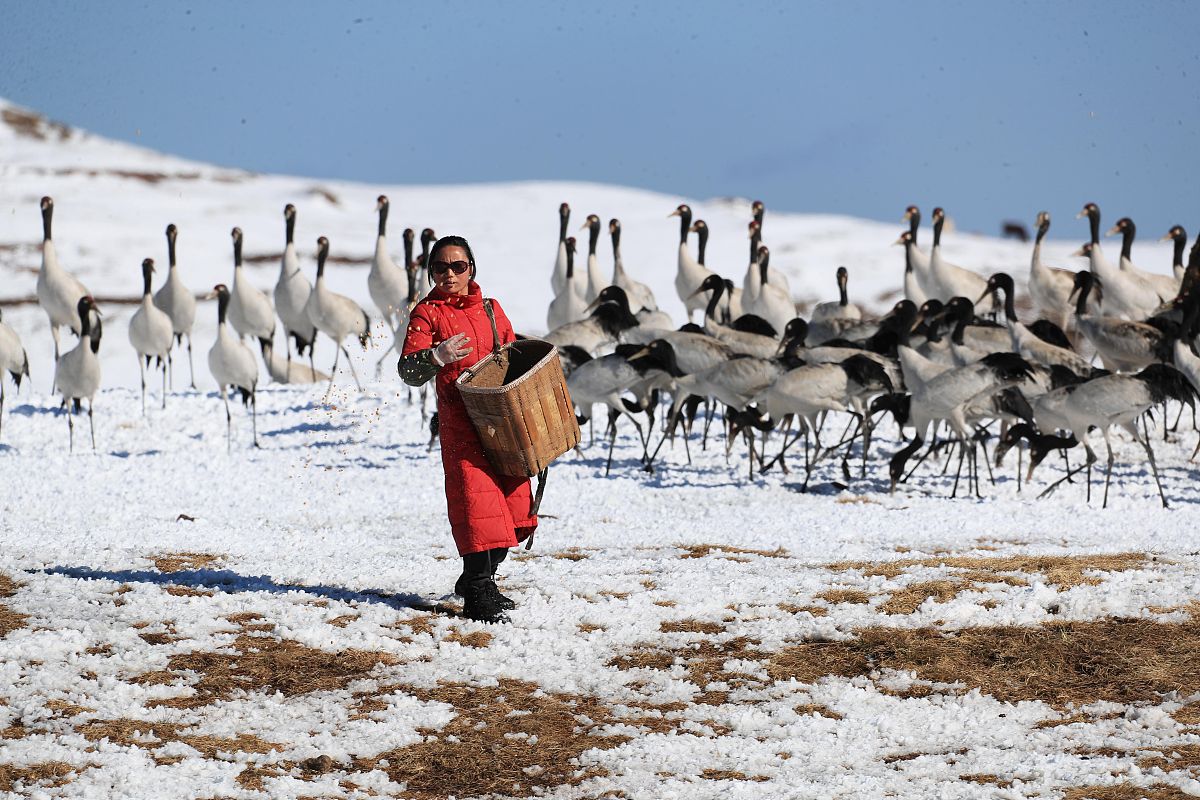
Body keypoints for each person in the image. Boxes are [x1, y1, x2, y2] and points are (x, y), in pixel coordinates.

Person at [398, 235, 536, 623]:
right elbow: (408, 370)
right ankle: (477, 591)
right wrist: (434, 356)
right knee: (478, 507)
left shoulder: (492, 310)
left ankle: (481, 578)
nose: (450, 273)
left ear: (471, 269)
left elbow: (511, 356)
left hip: (500, 421)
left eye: (458, 266)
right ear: (431, 272)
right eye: (441, 267)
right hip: (461, 424)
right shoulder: (426, 314)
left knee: (514, 507)